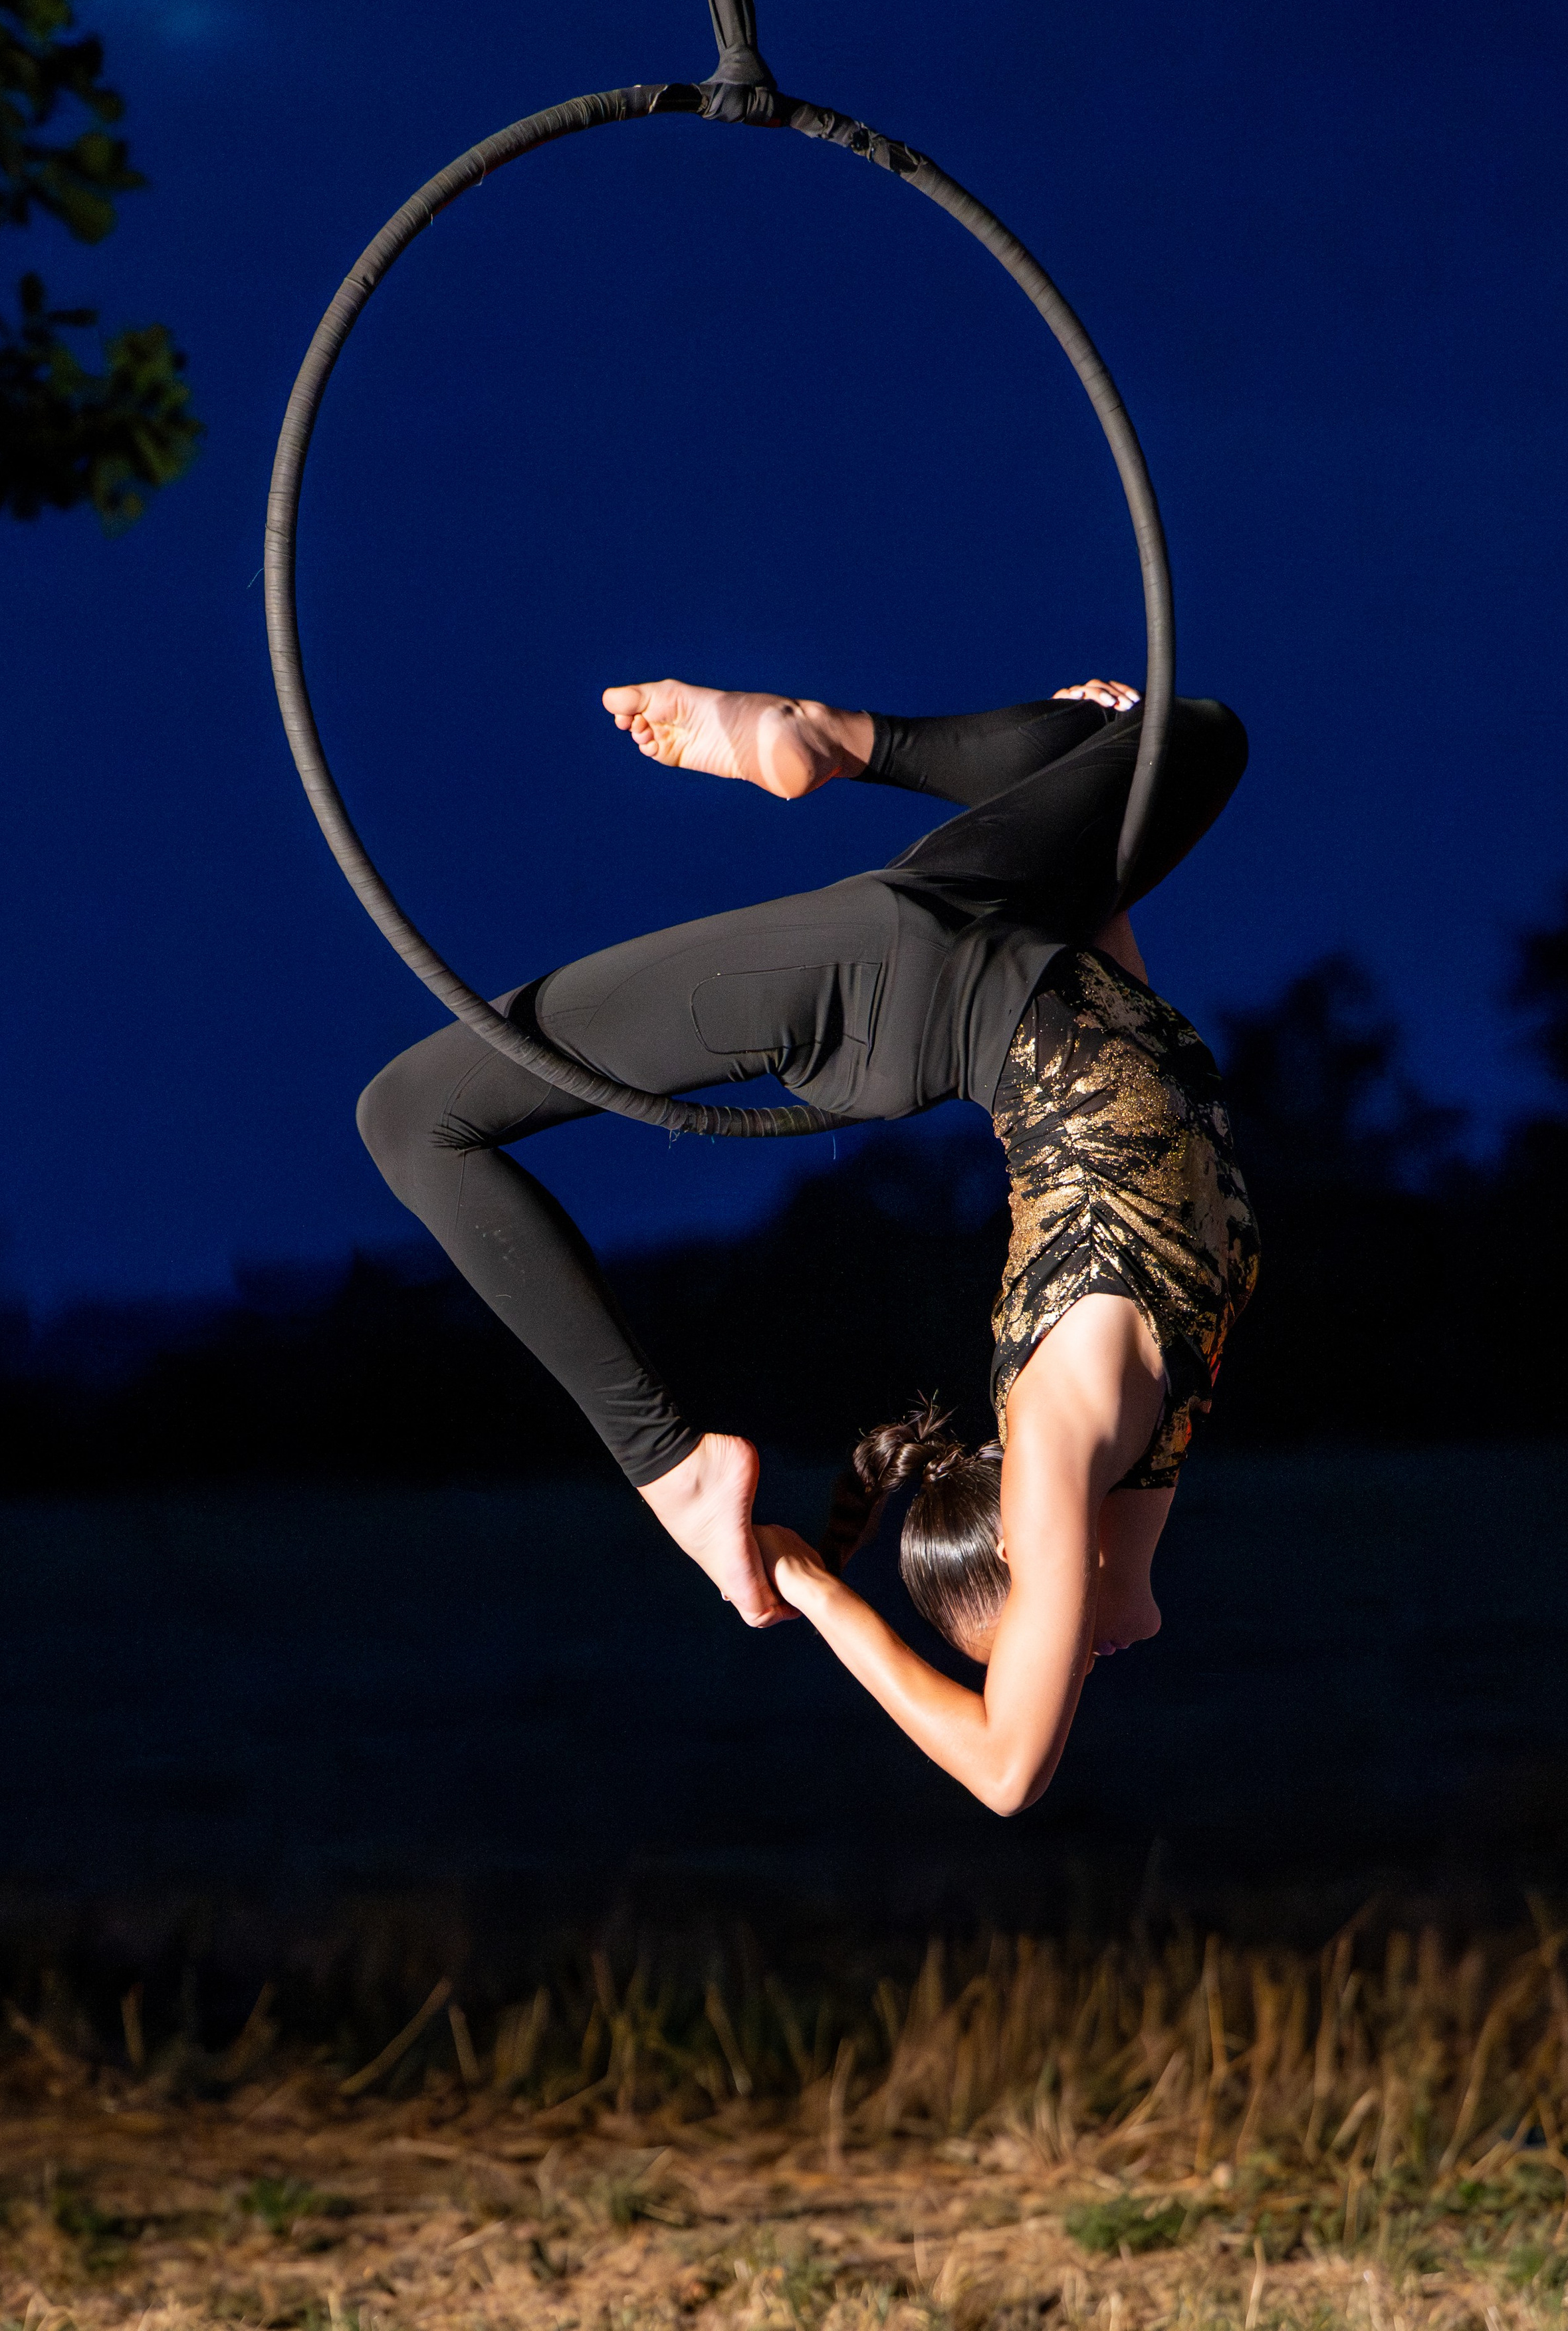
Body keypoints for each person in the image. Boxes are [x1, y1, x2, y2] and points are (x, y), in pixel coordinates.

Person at [357, 673, 1258, 1815]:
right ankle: (824, 739)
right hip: (997, 941)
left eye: (1048, 1646)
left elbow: (1010, 1765)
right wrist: (1069, 758)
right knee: (1185, 734)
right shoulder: (1141, 1410)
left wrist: (820, 1592)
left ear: (1032, 1548)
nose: (1075, 1658)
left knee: (411, 1117)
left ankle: (672, 1471)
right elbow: (1115, 1619)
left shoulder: (1070, 1428)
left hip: (888, 986)